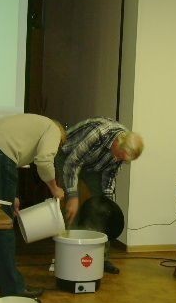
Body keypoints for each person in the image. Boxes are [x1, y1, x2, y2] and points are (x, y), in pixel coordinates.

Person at [0, 114, 66, 298]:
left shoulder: (34, 124)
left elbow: (11, 156)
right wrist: (54, 188)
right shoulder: (52, 129)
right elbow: (44, 161)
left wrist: (13, 197)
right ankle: (12, 288)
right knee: (3, 223)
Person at [55, 117, 144, 274]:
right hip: (68, 157)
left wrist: (108, 206)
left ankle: (101, 258)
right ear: (117, 144)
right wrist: (73, 196)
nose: (118, 160)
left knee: (102, 211)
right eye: (120, 156)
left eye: (123, 160)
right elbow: (73, 163)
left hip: (94, 166)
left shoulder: (121, 151)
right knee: (72, 206)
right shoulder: (99, 133)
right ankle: (70, 256)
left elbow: (109, 176)